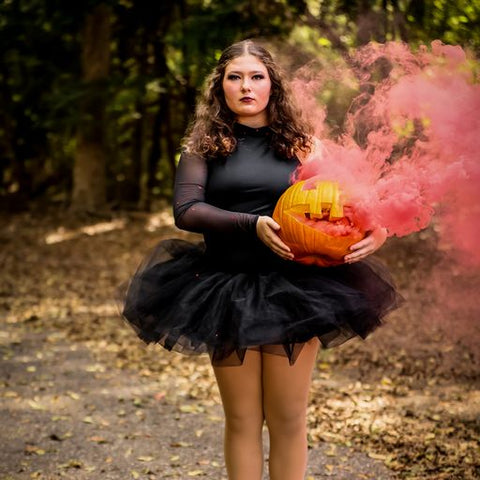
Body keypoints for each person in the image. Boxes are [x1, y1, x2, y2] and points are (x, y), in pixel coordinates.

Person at [120, 39, 402, 480]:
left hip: (297, 288)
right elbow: (186, 211)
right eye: (235, 77)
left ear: (273, 85)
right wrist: (250, 224)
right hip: (224, 286)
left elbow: (347, 203)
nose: (246, 87)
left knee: (288, 419)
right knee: (243, 420)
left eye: (257, 77)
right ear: (221, 87)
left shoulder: (305, 146)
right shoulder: (204, 146)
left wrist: (377, 228)